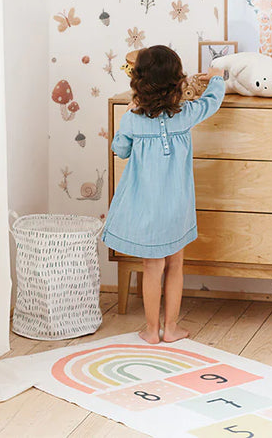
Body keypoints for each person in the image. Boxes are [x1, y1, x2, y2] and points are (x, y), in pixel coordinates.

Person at [102, 45, 226, 344]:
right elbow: (213, 101)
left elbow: (120, 150)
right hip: (177, 207)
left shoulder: (133, 119)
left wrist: (128, 119)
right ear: (177, 80)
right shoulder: (185, 115)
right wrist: (217, 77)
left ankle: (151, 330)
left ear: (139, 82)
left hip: (146, 209)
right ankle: (171, 328)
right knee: (176, 264)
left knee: (151, 266)